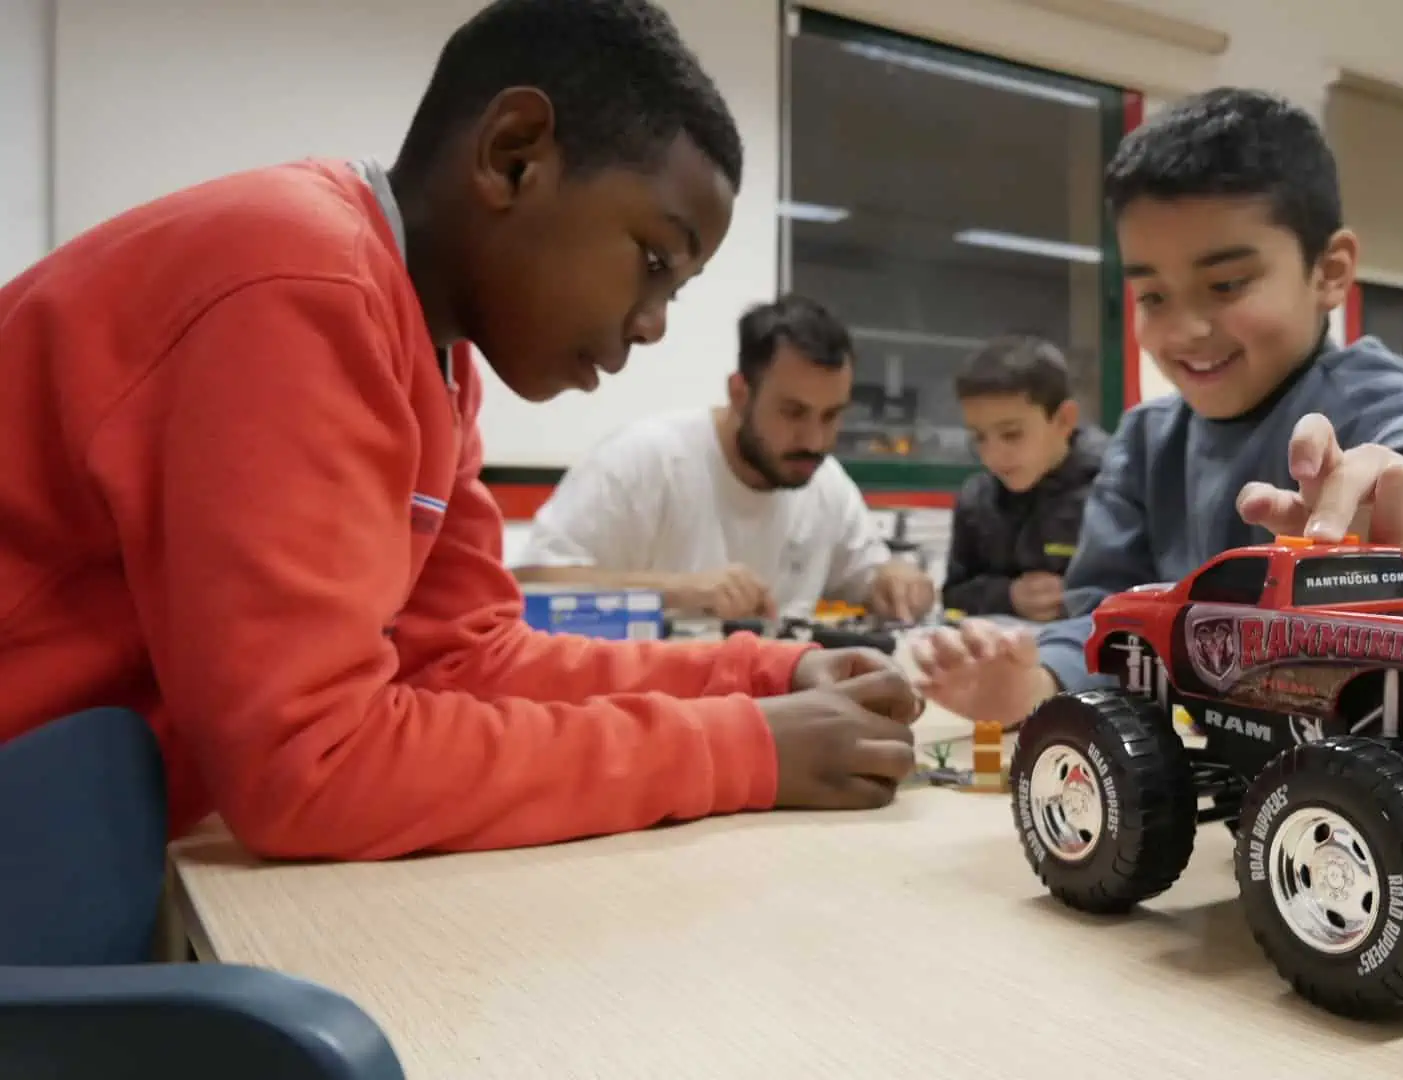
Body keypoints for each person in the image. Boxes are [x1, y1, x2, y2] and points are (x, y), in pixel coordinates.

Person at [0, 0, 924, 863]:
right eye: (653, 261)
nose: (651, 326)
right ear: (515, 155)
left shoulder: (434, 361)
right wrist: (741, 750)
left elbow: (463, 660)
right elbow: (311, 768)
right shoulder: (298, 284)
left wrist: (765, 676)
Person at [908, 87, 1403, 725]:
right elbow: (1105, 618)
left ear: (1329, 271)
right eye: (1153, 296)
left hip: (1364, 752)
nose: (1185, 329)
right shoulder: (1144, 444)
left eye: (1225, 284)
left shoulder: (1358, 392)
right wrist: (1037, 679)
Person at [513, 294, 938, 623]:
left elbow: (870, 576)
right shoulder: (645, 460)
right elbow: (529, 585)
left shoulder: (825, 483)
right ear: (739, 394)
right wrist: (676, 592)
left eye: (831, 416)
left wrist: (896, 580)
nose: (814, 439)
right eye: (793, 413)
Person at [942, 335, 1110, 620]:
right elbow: (954, 592)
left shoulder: (1115, 488)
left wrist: (1081, 598)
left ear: (1064, 420)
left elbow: (1149, 587)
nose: (992, 456)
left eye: (1012, 434)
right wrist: (1008, 596)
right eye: (978, 437)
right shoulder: (977, 499)